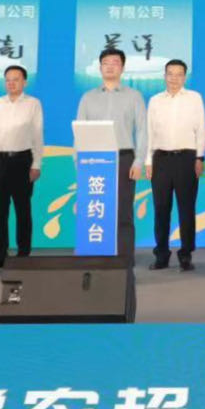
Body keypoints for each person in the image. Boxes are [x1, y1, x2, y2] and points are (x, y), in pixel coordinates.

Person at [76, 48, 147, 266]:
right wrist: (79, 162)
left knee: (123, 212)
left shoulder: (134, 96)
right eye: (106, 62)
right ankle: (96, 258)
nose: (110, 66)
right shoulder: (88, 98)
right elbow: (79, 131)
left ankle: (124, 260)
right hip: (94, 160)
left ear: (122, 68)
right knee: (96, 209)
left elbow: (142, 130)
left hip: (124, 158)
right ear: (100, 68)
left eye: (115, 62)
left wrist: (139, 161)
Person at [146, 59, 205, 271]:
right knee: (161, 209)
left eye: (179, 74)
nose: (174, 78)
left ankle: (185, 254)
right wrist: (148, 161)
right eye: (170, 74)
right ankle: (161, 254)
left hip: (186, 158)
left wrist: (200, 157)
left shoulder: (194, 98)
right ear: (164, 76)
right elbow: (149, 132)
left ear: (185, 77)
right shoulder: (155, 101)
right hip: (160, 159)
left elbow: (201, 130)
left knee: (186, 208)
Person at [0, 64, 43, 270]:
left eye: (16, 79)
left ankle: (23, 254)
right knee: (0, 211)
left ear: (24, 82)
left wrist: (36, 164)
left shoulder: (33, 104)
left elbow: (38, 136)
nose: (11, 83)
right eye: (8, 80)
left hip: (22, 161)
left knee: (23, 210)